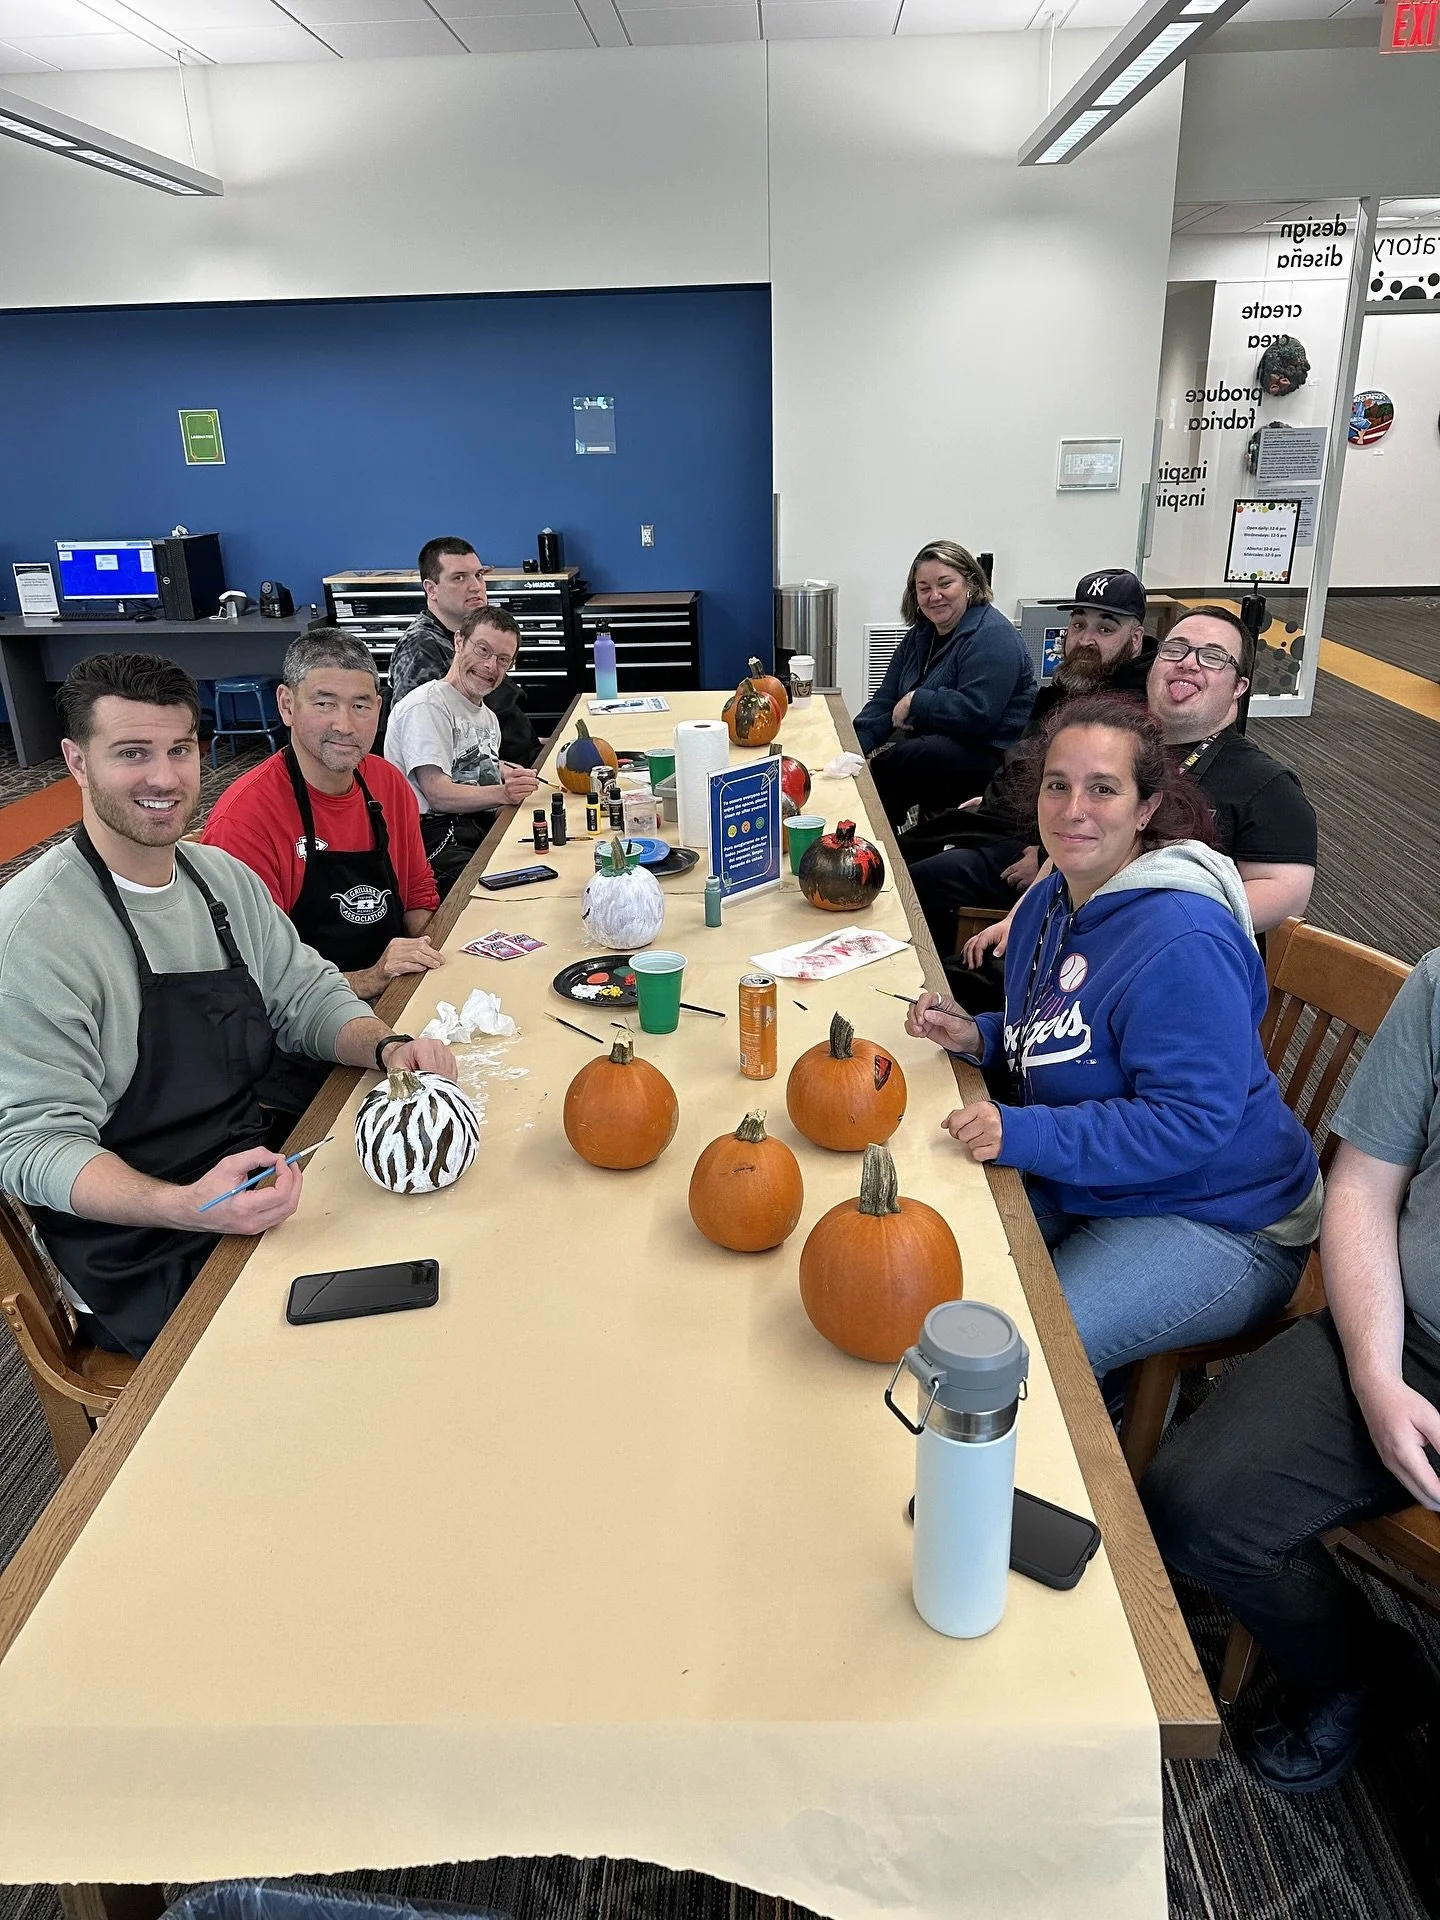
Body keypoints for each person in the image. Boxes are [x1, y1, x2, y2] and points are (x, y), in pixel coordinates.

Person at [0, 652, 457, 1358]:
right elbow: (33, 1146)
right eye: (131, 753)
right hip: (140, 1246)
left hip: (252, 1173)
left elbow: (304, 994)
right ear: (76, 761)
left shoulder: (219, 881)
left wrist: (386, 1047)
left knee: (431, 1271)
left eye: (180, 749)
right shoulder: (33, 931)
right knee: (349, 1360)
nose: (163, 777)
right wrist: (184, 1206)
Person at [904, 693, 1321, 1387]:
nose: (1074, 810)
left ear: (1146, 809)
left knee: (1015, 1357)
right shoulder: (1051, 897)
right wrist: (983, 1037)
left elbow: (1189, 1121)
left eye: (1103, 789)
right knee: (945, 1260)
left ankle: (1092, 1435)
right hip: (1108, 1182)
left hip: (1223, 1216)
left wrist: (1025, 1134)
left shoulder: (1183, 939)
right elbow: (1077, 1042)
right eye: (1057, 785)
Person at [1141, 954, 1440, 1807]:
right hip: (1404, 1328)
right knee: (1193, 1505)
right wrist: (1376, 1373)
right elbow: (1365, 1184)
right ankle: (1362, 1668)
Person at [956, 605, 1317, 996]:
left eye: (1213, 657)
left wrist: (1143, 921)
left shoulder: (1268, 785)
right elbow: (1073, 844)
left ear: (1238, 688)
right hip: (1061, 937)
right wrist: (1020, 917)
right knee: (944, 993)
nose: (1188, 664)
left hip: (1157, 969)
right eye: (1175, 649)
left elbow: (1287, 891)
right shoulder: (1119, 751)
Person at [202, 627, 445, 1119]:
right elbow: (253, 989)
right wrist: (371, 978)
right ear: (286, 705)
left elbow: (418, 892)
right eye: (324, 703)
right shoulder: (246, 820)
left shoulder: (387, 784)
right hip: (296, 1052)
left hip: (392, 1012)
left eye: (361, 705)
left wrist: (441, 952)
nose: (346, 725)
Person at [906, 569, 1157, 951]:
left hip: (1036, 846)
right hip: (1005, 817)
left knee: (917, 882)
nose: (1086, 640)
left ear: (1135, 639)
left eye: (1105, 630)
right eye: (1078, 625)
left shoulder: (1127, 712)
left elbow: (1102, 806)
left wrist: (1044, 856)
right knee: (903, 848)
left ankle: (930, 976)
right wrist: (993, 795)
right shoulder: (1071, 686)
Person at [853, 541, 1035, 826]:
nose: (934, 596)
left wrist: (917, 700)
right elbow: (886, 699)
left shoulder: (993, 636)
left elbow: (978, 714)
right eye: (924, 588)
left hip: (990, 755)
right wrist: (852, 747)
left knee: (896, 763)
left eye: (945, 584)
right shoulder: (920, 636)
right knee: (877, 766)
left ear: (970, 584)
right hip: (939, 747)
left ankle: (877, 839)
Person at [385, 606, 540, 894]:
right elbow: (438, 793)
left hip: (472, 826)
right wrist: (504, 793)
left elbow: (472, 773)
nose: (490, 666)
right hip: (429, 839)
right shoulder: (428, 706)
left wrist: (508, 777)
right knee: (496, 894)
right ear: (458, 641)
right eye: (483, 650)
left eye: (503, 660)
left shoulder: (488, 718)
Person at [387, 535, 539, 765]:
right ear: (431, 589)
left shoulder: (479, 637)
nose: (476, 587)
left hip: (523, 763)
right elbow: (425, 748)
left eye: (478, 575)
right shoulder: (421, 649)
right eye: (459, 578)